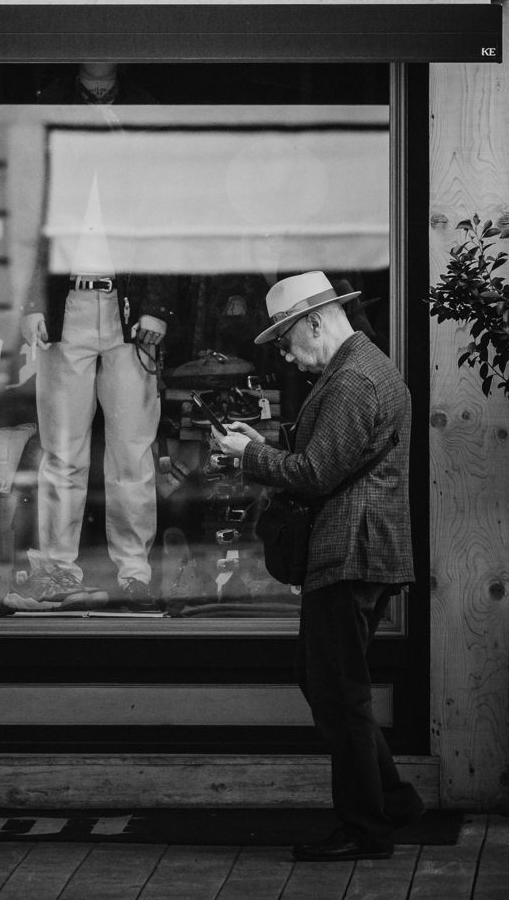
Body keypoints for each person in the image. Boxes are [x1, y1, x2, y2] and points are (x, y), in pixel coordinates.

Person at [210, 270, 421, 861]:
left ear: (316, 322)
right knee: (329, 683)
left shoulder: (353, 378)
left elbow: (314, 474)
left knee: (339, 693)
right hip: (359, 552)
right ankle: (392, 802)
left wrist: (248, 454)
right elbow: (325, 457)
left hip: (350, 552)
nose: (284, 351)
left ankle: (365, 828)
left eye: (285, 337)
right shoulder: (360, 369)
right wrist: (263, 444)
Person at [15, 63, 171, 609]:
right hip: (68, 302)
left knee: (132, 450)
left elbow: (165, 213)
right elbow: (28, 213)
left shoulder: (145, 111)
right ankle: (56, 567)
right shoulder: (47, 103)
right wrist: (33, 302)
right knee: (61, 449)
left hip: (129, 307)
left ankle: (133, 572)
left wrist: (157, 305)